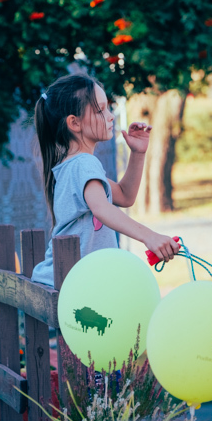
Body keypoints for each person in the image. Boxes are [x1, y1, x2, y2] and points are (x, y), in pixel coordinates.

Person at [31, 73, 180, 287]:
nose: (110, 116)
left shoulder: (71, 166)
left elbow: (125, 196)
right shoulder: (83, 164)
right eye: (100, 110)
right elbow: (102, 208)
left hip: (66, 282)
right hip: (73, 285)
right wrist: (150, 237)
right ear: (74, 123)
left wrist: (137, 153)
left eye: (108, 108)